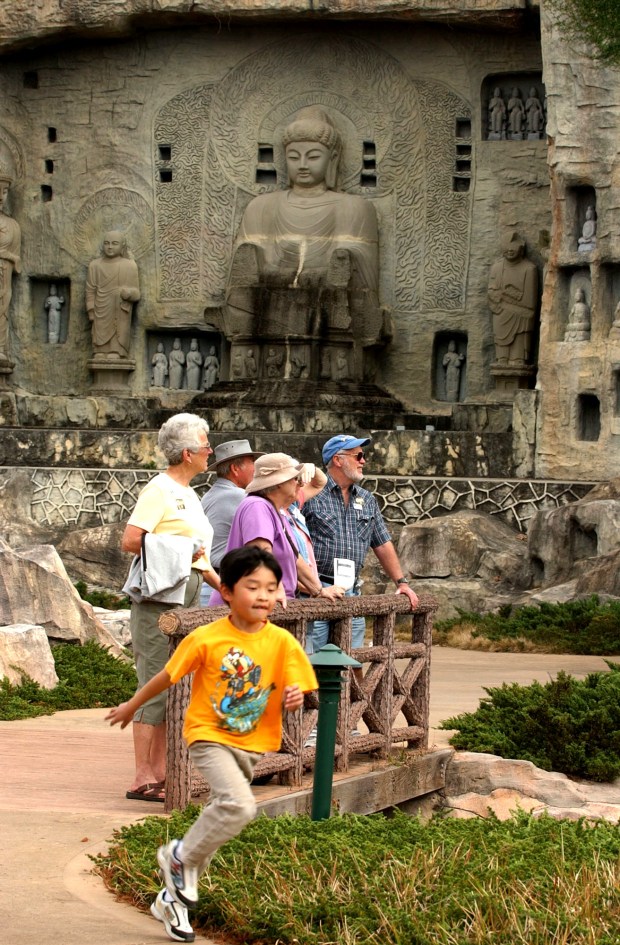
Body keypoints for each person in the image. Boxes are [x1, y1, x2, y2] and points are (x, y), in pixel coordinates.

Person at [106, 546, 317, 942]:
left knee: (223, 816)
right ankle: (177, 858)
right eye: (252, 587)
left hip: (252, 744)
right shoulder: (207, 637)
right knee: (239, 806)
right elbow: (166, 676)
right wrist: (133, 704)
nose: (264, 596)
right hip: (208, 736)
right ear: (227, 590)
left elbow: (298, 688)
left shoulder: (282, 642)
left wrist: (294, 697)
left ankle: (173, 900)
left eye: (271, 588)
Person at [120, 413, 221, 803]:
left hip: (188, 597)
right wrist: (183, 550)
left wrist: (223, 587)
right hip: (159, 601)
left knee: (176, 680)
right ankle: (141, 775)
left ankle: (161, 770)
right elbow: (132, 541)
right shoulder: (159, 490)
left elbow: (200, 558)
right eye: (205, 445)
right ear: (186, 453)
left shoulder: (191, 493)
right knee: (154, 681)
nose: (210, 451)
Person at [226, 106, 381, 344]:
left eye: (313, 156)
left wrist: (339, 262)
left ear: (333, 159)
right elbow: (243, 270)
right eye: (294, 157)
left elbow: (360, 271)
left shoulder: (353, 207)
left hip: (328, 308)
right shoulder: (261, 207)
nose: (303, 164)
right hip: (264, 305)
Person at [303, 434, 419, 657]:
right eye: (358, 455)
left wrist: (401, 582)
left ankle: (346, 694)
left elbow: (382, 543)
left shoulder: (367, 499)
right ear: (338, 460)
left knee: (350, 661)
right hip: (314, 592)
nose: (363, 461)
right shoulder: (311, 495)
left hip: (351, 592)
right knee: (312, 662)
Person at [208, 453, 343, 607]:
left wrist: (318, 590)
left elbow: (294, 557)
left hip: (263, 604)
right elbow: (260, 553)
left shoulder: (275, 510)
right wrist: (275, 589)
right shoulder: (257, 506)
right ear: (279, 483)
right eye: (294, 478)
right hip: (247, 607)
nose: (299, 484)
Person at [198, 439, 264, 606]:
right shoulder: (239, 497)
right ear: (235, 469)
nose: (255, 468)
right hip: (222, 584)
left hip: (208, 582)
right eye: (251, 462)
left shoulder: (211, 495)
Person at [86, 230, 140, 361]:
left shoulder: (129, 266)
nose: (110, 247)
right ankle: (99, 350)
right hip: (101, 307)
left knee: (119, 327)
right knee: (99, 330)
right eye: (106, 243)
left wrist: (129, 294)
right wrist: (91, 310)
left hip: (119, 308)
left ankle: (117, 350)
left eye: (114, 243)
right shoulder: (95, 266)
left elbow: (137, 293)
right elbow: (90, 290)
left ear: (122, 246)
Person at [487, 231, 538, 366]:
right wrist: (497, 297)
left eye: (513, 248)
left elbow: (529, 303)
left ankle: (517, 359)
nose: (509, 251)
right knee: (502, 359)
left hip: (521, 317)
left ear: (520, 248)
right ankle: (502, 359)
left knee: (517, 359)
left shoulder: (529, 269)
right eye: (506, 248)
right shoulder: (496, 268)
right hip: (500, 314)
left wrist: (505, 295)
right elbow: (492, 293)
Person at [0, 168, 21, 363]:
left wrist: (10, 258)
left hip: (3, 276)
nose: (0, 197)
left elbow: (17, 262)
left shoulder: (13, 225)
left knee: (2, 308)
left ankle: (1, 348)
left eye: (4, 191)